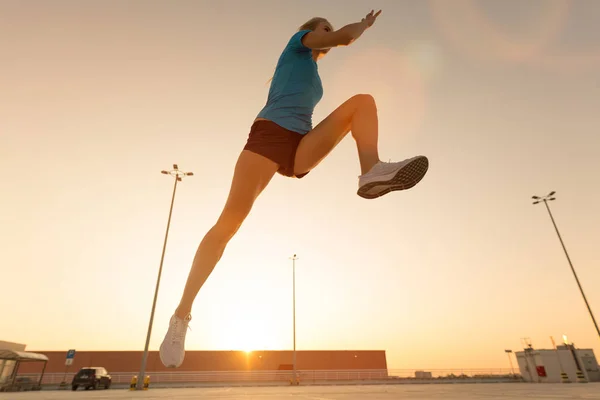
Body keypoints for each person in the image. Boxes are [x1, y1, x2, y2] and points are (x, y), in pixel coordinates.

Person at [159, 10, 429, 368]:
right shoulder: (296, 46)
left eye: (329, 29)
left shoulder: (314, 74)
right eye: (324, 28)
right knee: (229, 224)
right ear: (309, 32)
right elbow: (345, 38)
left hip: (301, 143)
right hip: (269, 136)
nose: (328, 33)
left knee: (363, 101)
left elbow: (334, 50)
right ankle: (182, 314)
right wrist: (361, 26)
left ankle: (371, 172)